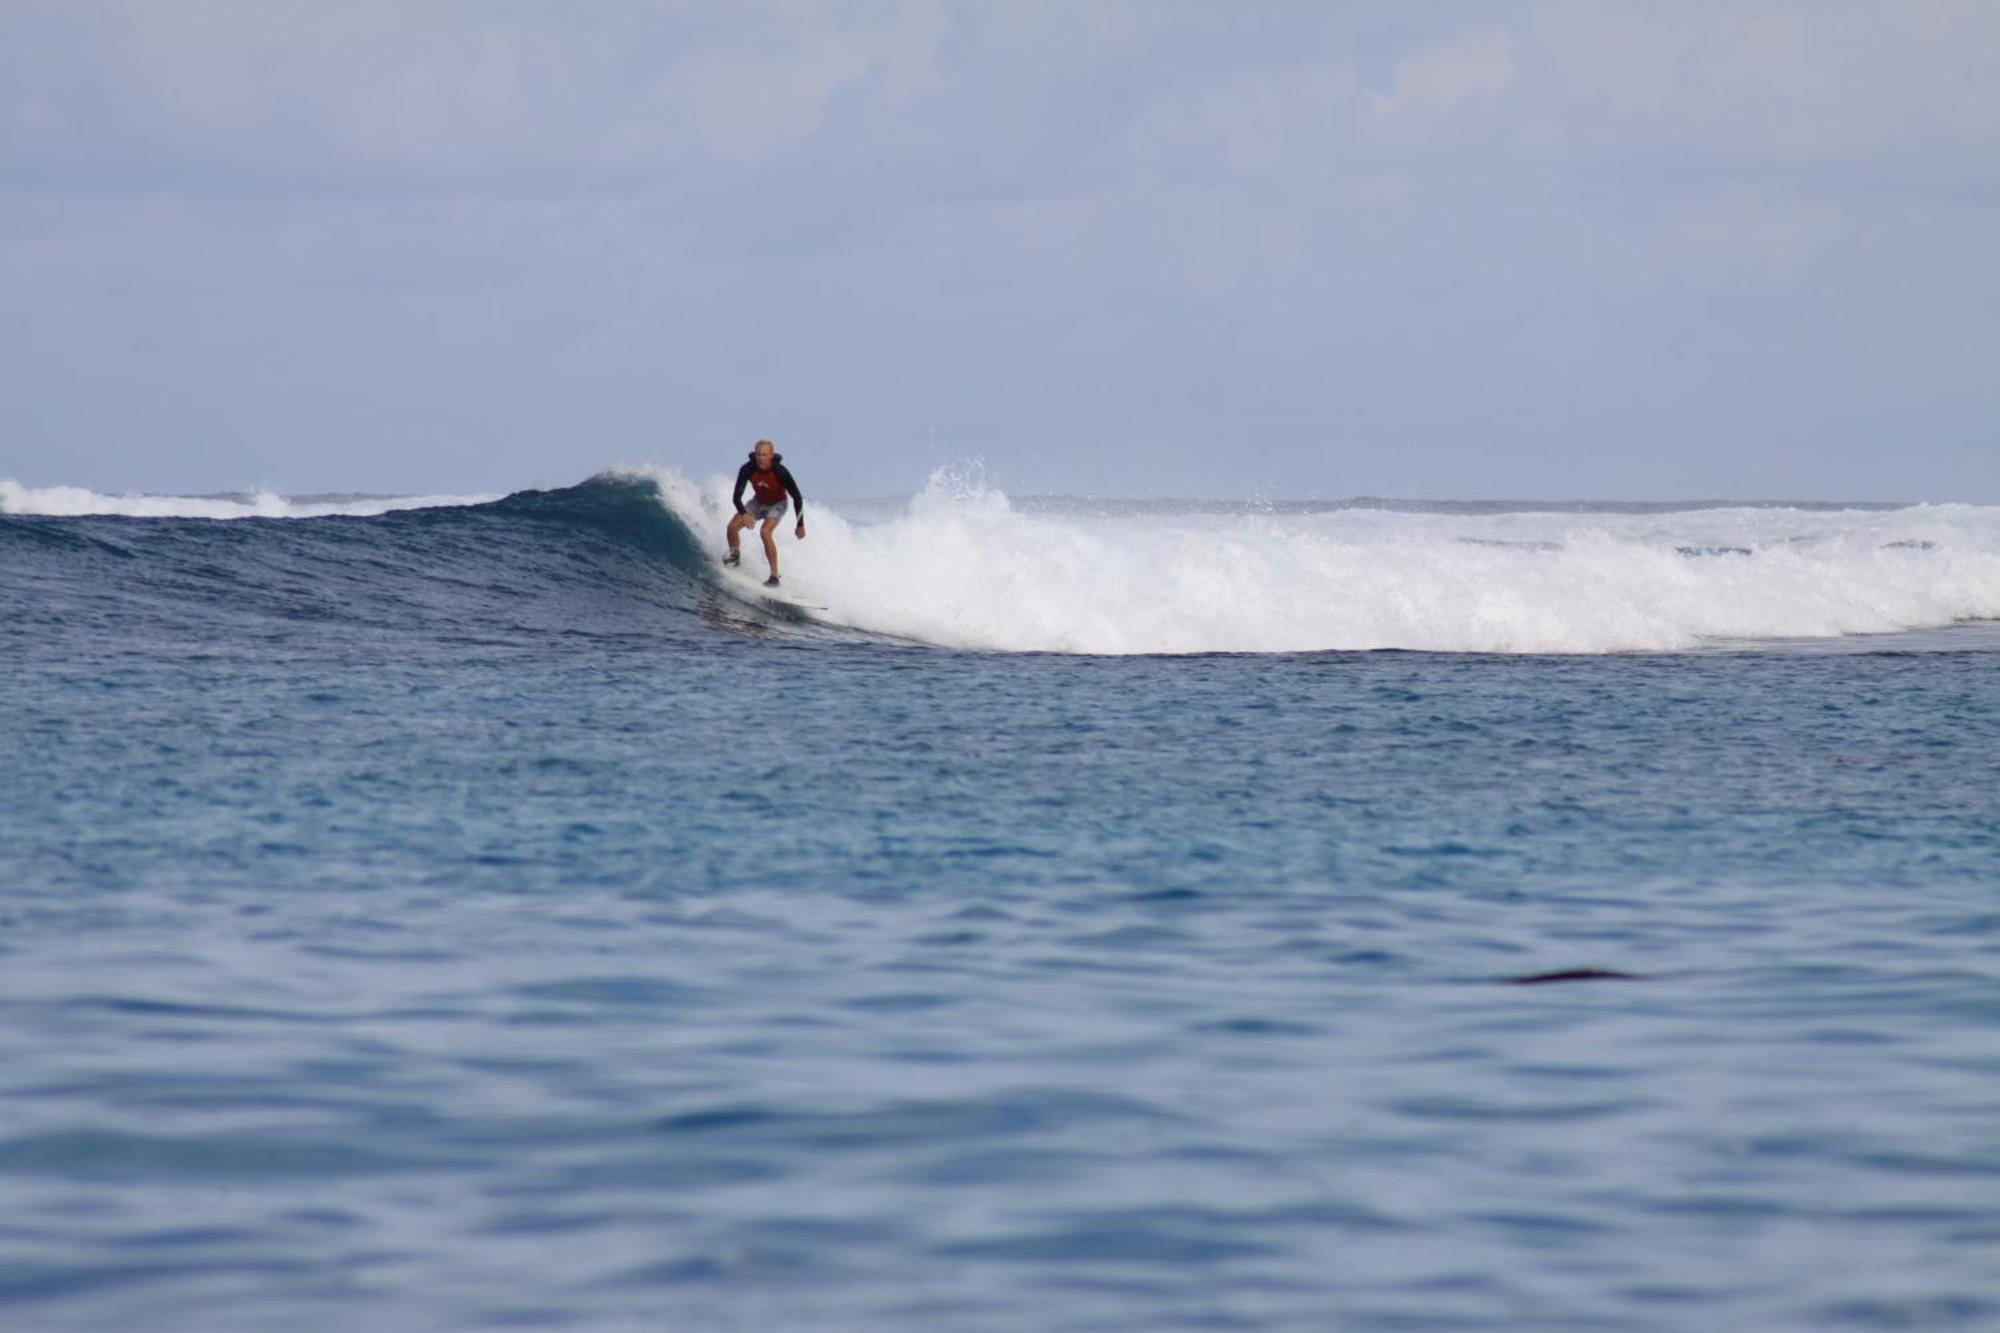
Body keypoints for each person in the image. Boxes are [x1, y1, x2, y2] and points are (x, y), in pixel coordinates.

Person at [725, 439, 806, 586]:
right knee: (731, 528)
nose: (761, 458)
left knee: (765, 532)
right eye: (759, 455)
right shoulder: (747, 469)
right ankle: (734, 555)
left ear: (771, 455)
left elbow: (797, 497)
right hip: (757, 502)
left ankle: (774, 576)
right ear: (755, 455)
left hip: (777, 504)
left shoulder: (780, 472)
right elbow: (736, 497)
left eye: (764, 455)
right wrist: (744, 514)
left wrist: (800, 524)